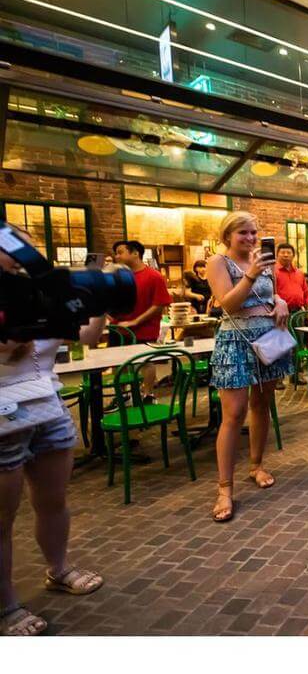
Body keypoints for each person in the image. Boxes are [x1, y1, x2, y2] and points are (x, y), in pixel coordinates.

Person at [0, 227, 105, 637]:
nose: (26, 257)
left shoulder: (39, 293)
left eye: (30, 250)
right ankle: (6, 605)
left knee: (53, 500)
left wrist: (96, 303)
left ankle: (58, 569)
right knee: (2, 516)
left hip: (48, 402)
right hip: (4, 411)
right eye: (16, 249)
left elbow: (84, 338)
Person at [206, 212, 293, 522]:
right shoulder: (218, 262)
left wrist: (280, 301)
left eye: (254, 232)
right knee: (233, 414)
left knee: (262, 405)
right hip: (235, 340)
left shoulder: (261, 260)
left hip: (269, 337)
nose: (251, 238)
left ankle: (256, 465)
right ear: (227, 235)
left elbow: (267, 295)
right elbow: (227, 303)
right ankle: (224, 488)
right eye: (243, 233)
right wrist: (253, 274)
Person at [110, 239, 172, 401]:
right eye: (116, 253)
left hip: (144, 328)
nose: (117, 257)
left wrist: (136, 321)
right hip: (118, 328)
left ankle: (147, 394)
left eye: (120, 252)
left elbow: (159, 304)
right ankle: (121, 396)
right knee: (117, 363)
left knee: (146, 362)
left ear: (135, 253)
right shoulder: (118, 277)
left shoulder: (154, 276)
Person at [274, 242, 308, 314]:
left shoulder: (299, 273)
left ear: (293, 255)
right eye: (283, 252)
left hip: (299, 312)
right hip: (281, 312)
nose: (286, 255)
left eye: (288, 253)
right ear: (277, 255)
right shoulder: (273, 272)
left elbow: (306, 293)